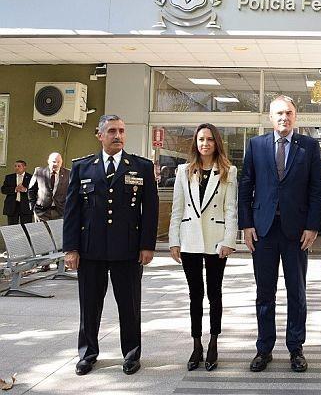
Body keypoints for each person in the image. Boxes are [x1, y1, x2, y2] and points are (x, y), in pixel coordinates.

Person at [63, 115, 159, 376]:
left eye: (122, 131)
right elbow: (72, 212)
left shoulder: (141, 167)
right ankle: (87, 354)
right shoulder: (82, 167)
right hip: (90, 249)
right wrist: (71, 248)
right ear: (100, 135)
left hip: (127, 249)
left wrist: (147, 245)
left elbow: (150, 211)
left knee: (129, 306)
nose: (118, 136)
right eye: (112, 131)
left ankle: (131, 354)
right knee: (89, 306)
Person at [238, 95, 321, 373]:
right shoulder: (256, 145)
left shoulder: (309, 146)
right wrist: (246, 224)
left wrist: (312, 226)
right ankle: (264, 348)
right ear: (270, 117)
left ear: (295, 116)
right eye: (279, 113)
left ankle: (296, 348)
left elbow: (316, 189)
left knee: (296, 292)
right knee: (265, 293)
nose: (284, 117)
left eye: (288, 113)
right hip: (263, 230)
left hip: (296, 232)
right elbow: (246, 185)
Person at [169, 123, 238, 372]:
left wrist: (229, 240)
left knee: (214, 294)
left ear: (216, 142)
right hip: (190, 239)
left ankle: (213, 343)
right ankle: (196, 344)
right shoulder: (183, 171)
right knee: (195, 294)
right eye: (201, 139)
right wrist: (174, 241)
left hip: (216, 240)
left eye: (209, 139)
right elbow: (177, 208)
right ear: (195, 143)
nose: (205, 143)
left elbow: (231, 209)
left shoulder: (228, 171)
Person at [28, 152, 70, 221]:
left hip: (60, 212)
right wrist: (33, 207)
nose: (56, 164)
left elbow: (72, 191)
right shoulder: (39, 172)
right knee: (41, 228)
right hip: (41, 212)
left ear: (61, 162)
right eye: (54, 162)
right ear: (48, 161)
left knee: (58, 228)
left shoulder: (68, 173)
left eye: (58, 162)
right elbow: (31, 190)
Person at [2, 160, 33, 225]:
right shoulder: (9, 177)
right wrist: (15, 189)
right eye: (15, 166)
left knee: (26, 227)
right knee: (12, 227)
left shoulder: (31, 178)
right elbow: (3, 190)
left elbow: (35, 191)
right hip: (12, 206)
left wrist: (25, 190)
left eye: (19, 166)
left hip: (26, 206)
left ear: (24, 167)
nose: (17, 168)